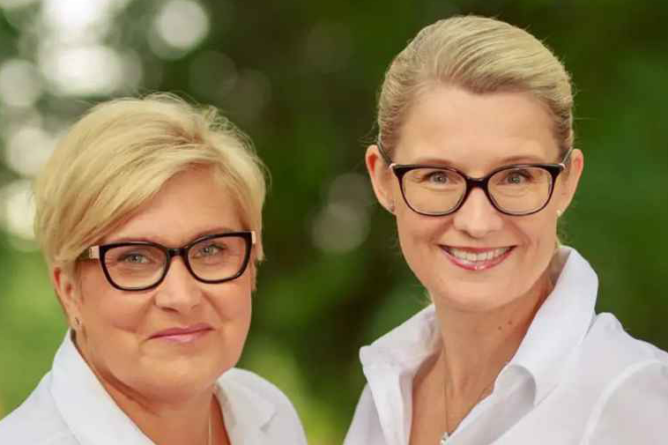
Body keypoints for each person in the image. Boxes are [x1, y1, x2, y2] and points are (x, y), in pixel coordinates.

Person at [344, 15, 668, 445]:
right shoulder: (385, 399)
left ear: (567, 182)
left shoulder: (634, 402)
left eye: (516, 176)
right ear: (383, 180)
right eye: (439, 176)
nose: (477, 222)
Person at [0, 94, 307, 445]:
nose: (182, 297)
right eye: (135, 258)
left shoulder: (267, 414)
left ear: (251, 265)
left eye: (210, 249)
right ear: (69, 292)